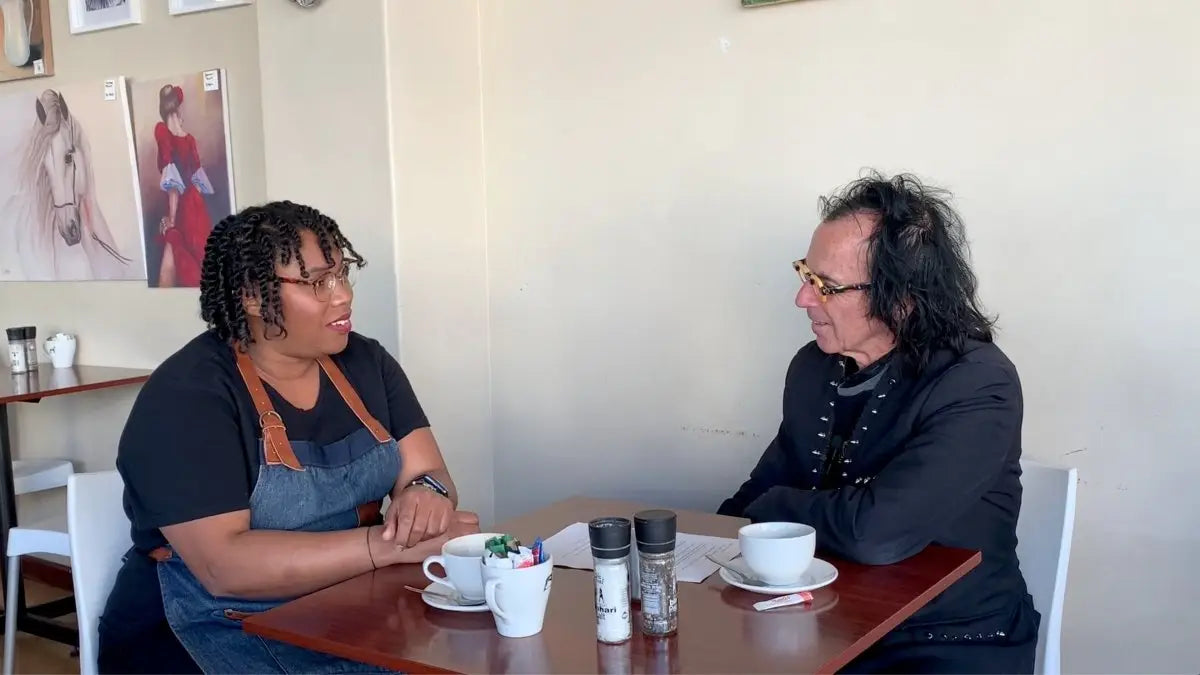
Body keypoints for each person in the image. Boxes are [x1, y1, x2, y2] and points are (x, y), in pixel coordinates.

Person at [98, 200, 480, 674]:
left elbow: (427, 470)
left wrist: (427, 494)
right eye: (319, 282)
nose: (343, 296)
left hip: (347, 599)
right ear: (253, 296)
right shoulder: (187, 395)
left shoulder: (366, 362)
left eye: (343, 274)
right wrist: (386, 545)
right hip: (211, 624)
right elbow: (225, 567)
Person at [718, 172, 1040, 674]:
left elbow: (877, 533)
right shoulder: (813, 367)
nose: (802, 299)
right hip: (829, 625)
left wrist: (773, 509)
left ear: (902, 297)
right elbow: (753, 495)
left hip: (950, 640)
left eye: (823, 285)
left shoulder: (977, 383)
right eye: (805, 274)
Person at [153, 83, 217, 288]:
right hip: (196, 208)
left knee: (169, 270)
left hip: (179, 207)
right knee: (196, 261)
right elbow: (197, 185)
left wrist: (172, 219)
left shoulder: (162, 131)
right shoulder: (190, 139)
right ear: (178, 108)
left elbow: (173, 184)